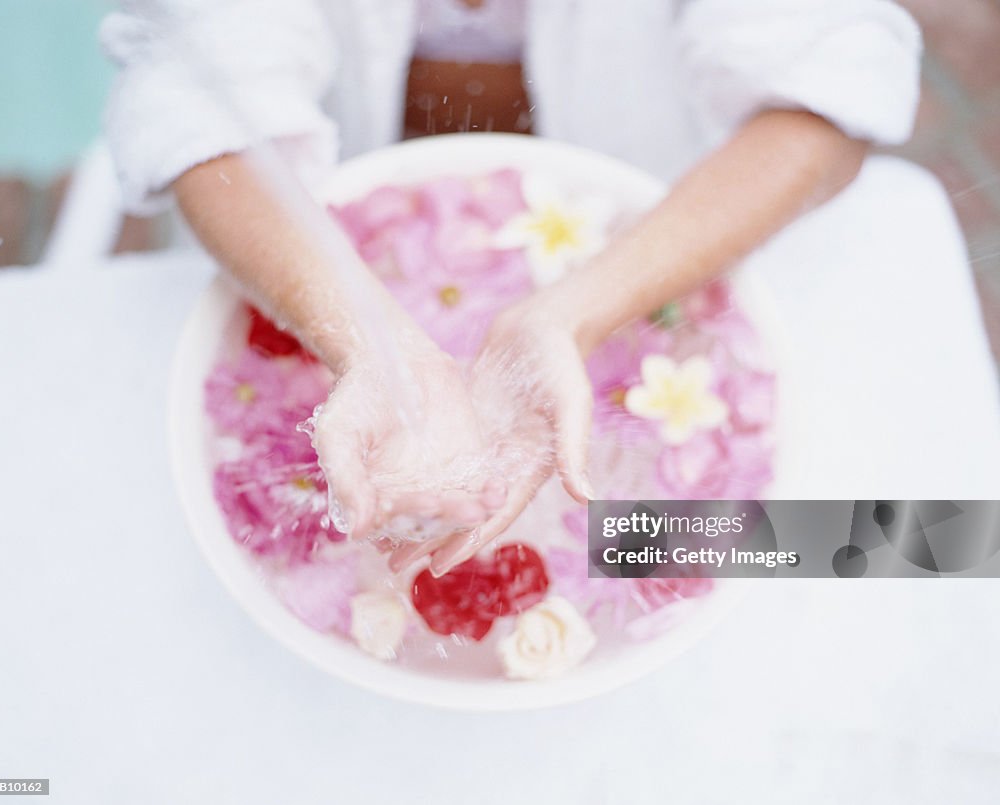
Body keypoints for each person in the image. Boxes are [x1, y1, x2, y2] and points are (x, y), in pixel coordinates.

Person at [100, 0, 1000, 574]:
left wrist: (573, 313)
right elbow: (199, 103)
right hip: (315, 244)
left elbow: (829, 89)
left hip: (652, 244)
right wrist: (366, 338)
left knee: (841, 548)